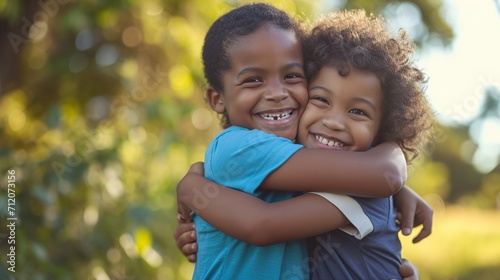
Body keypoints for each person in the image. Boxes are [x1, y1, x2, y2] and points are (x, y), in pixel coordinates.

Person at [176, 3, 427, 280]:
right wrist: (192, 191)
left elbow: (381, 176)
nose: (276, 93)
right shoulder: (236, 147)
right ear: (217, 99)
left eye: (292, 76)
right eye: (253, 79)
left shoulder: (303, 159)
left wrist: (396, 190)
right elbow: (383, 174)